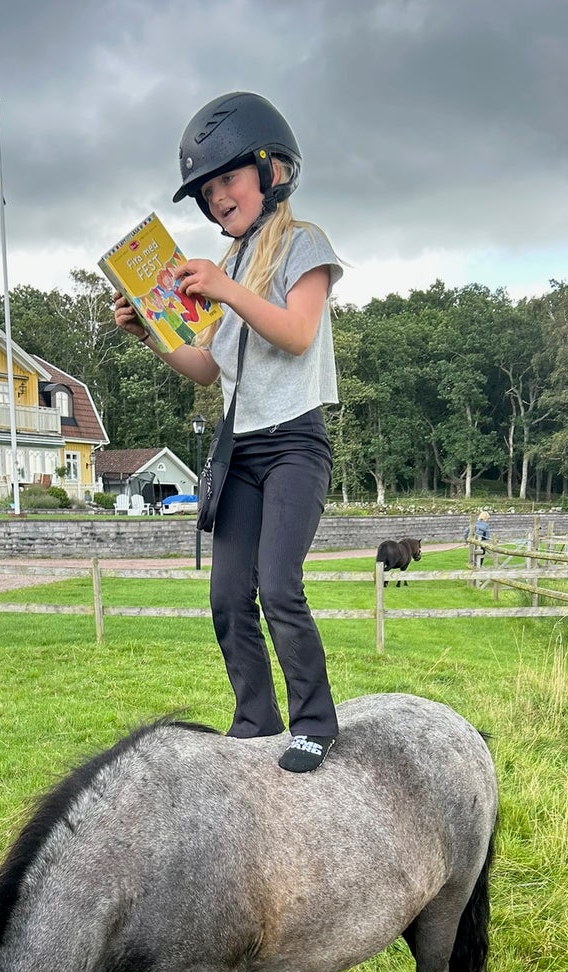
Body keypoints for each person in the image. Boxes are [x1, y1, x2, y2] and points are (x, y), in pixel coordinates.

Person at [112, 92, 342, 772]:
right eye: (208, 192)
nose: (218, 200)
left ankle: (314, 723)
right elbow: (209, 369)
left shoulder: (305, 244)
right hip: (240, 447)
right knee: (225, 593)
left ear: (271, 171)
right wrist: (152, 337)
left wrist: (225, 289)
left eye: (228, 180)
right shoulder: (230, 267)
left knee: (278, 584)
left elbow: (298, 334)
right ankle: (255, 720)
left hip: (295, 441)